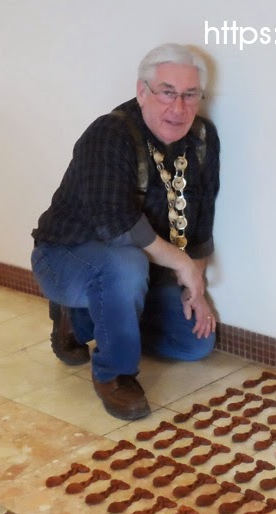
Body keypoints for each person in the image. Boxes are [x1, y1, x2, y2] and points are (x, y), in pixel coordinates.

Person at [31, 43, 220, 420]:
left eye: (190, 95)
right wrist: (181, 264)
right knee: (125, 263)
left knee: (194, 341)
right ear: (142, 91)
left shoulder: (202, 138)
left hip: (142, 271)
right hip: (66, 256)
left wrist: (194, 287)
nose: (178, 108)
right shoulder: (110, 133)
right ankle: (114, 373)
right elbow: (115, 225)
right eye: (167, 92)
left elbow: (201, 220)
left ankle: (84, 319)